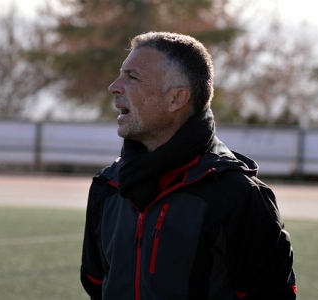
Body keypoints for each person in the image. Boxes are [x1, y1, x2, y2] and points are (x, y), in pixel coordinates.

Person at [80, 31, 297, 300]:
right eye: (120, 74)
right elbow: (96, 283)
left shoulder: (237, 194)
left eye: (131, 77)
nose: (114, 86)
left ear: (176, 99)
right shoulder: (107, 187)